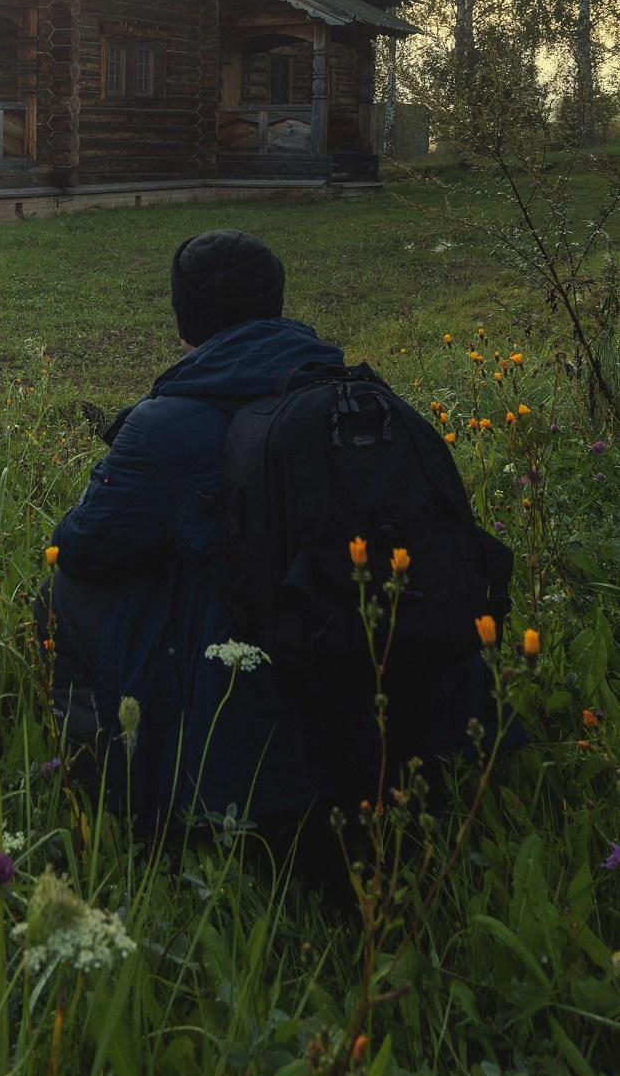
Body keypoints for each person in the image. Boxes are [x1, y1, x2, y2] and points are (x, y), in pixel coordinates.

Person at [37, 228, 500, 864]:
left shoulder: (163, 426)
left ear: (185, 315)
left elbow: (82, 546)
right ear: (277, 304)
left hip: (254, 680)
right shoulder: (360, 398)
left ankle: (104, 775)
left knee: (59, 588)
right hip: (380, 658)